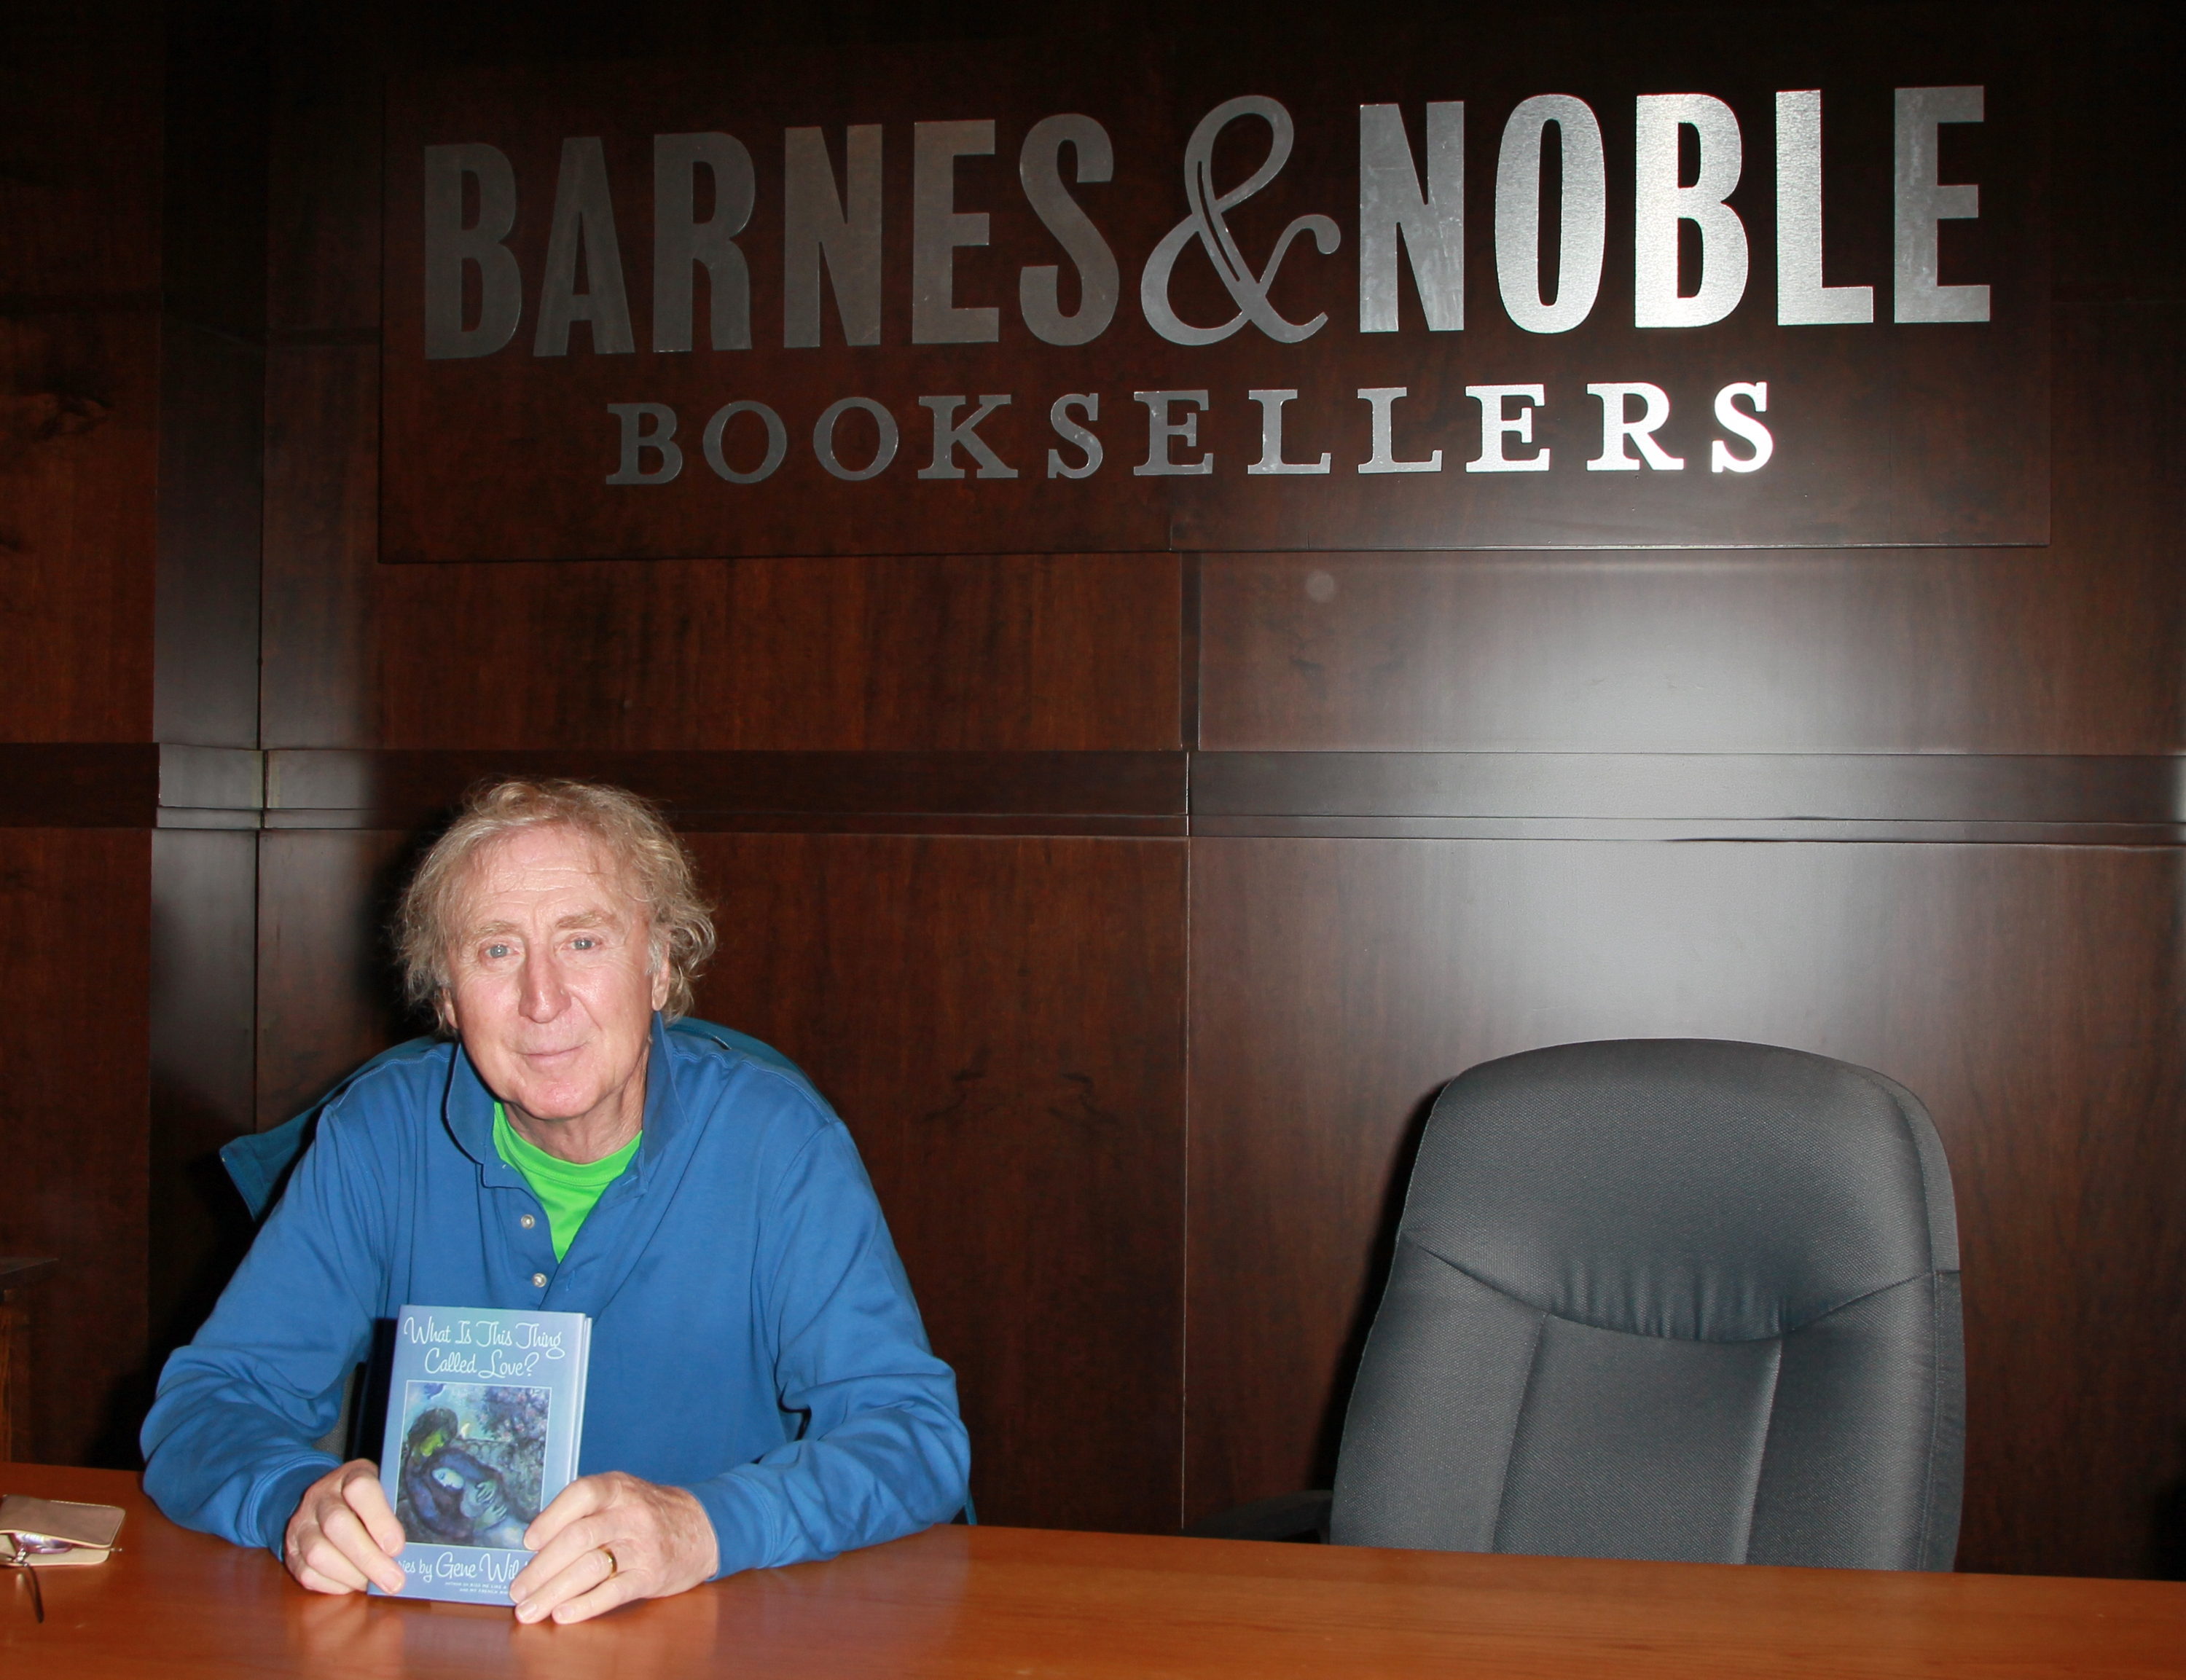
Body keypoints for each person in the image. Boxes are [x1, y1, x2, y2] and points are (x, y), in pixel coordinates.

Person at [141, 777, 968, 1624]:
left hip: (706, 1635)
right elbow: (204, 1409)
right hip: (433, 1640)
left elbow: (912, 1435)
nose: (542, 999)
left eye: (583, 940)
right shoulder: (379, 1136)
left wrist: (705, 1526)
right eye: (497, 949)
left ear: (659, 966)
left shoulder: (777, 1142)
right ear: (447, 997)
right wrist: (295, 1499)